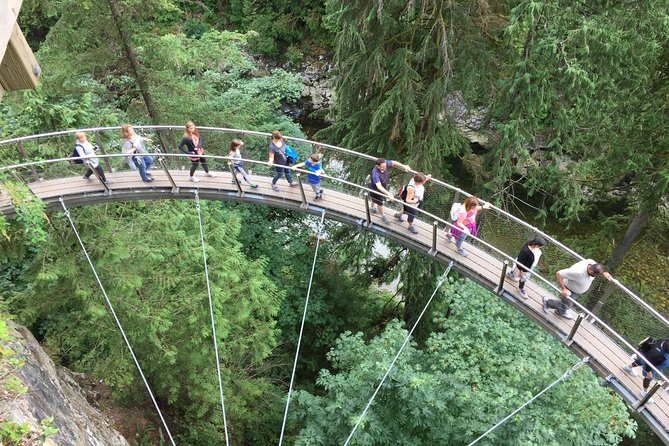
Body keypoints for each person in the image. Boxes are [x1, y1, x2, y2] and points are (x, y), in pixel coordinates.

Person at [542, 260, 613, 319]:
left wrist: (603, 273)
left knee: (566, 304)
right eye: (595, 275)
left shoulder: (592, 263)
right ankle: (547, 302)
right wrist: (564, 289)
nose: (596, 277)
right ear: (591, 272)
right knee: (566, 305)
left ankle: (560, 312)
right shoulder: (577, 272)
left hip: (577, 289)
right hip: (570, 289)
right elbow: (559, 274)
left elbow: (596, 269)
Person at [623, 338, 669, 404]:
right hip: (651, 364)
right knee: (649, 377)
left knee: (641, 361)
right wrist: (648, 372)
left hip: (652, 359)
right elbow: (647, 362)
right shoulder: (656, 353)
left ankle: (627, 367)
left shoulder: (664, 341)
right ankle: (644, 392)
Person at [367, 157, 411, 223]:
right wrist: (388, 194)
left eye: (385, 166)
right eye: (382, 167)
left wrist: (403, 166)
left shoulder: (384, 163)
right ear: (377, 166)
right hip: (375, 190)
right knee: (380, 203)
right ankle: (383, 216)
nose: (384, 168)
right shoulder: (375, 173)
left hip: (381, 187)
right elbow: (379, 186)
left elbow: (394, 162)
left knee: (374, 199)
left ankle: (372, 208)